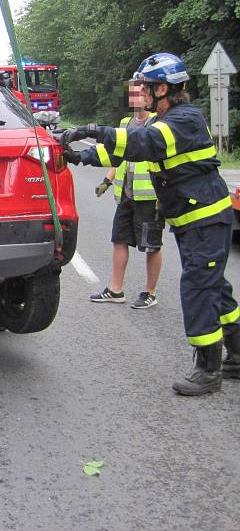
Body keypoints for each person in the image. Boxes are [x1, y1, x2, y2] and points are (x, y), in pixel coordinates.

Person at [61, 53, 239, 396]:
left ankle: (208, 369)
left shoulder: (183, 120)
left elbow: (143, 143)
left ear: (163, 88)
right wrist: (77, 155)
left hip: (206, 219)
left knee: (199, 289)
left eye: (145, 86)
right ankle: (237, 356)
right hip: (193, 221)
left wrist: (92, 130)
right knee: (213, 286)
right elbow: (124, 151)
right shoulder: (164, 118)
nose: (139, 92)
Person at [90, 80, 162, 309]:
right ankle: (115, 289)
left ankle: (149, 292)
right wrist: (107, 181)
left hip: (149, 196)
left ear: (148, 95)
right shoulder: (125, 122)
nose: (134, 98)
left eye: (138, 93)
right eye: (130, 94)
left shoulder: (158, 123)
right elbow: (116, 156)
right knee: (119, 240)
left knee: (151, 245)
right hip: (126, 194)